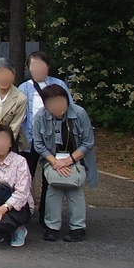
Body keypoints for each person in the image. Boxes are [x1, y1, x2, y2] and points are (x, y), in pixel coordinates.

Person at [33, 85, 98, 242]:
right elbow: (38, 144)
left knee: (74, 187)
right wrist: (55, 162)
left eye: (60, 100)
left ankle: (77, 227)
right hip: (52, 159)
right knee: (53, 187)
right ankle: (52, 227)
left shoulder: (79, 113)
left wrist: (69, 161)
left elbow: (88, 142)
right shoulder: (40, 116)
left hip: (76, 158)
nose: (57, 105)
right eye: (51, 102)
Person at [18, 50, 72, 179]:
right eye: (34, 65)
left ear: (47, 66)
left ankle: (46, 200)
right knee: (25, 175)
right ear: (29, 68)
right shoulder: (23, 88)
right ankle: (26, 199)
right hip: (30, 139)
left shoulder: (59, 84)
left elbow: (70, 108)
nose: (37, 68)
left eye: (41, 64)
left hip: (54, 138)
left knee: (50, 176)